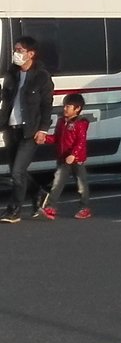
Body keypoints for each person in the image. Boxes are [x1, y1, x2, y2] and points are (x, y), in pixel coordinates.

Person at [0, 36, 55, 223]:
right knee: (18, 172)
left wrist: (43, 130)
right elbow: (6, 101)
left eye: (20, 50)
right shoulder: (12, 74)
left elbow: (47, 106)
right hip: (11, 128)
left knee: (16, 172)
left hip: (30, 130)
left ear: (31, 54)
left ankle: (13, 211)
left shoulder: (41, 76)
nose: (16, 53)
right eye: (15, 50)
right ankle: (38, 192)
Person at [37, 92, 91, 220]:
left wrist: (73, 154)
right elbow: (57, 138)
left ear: (77, 109)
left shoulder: (81, 123)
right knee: (57, 183)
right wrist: (45, 139)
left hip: (77, 160)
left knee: (81, 184)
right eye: (65, 106)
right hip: (63, 159)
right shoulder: (62, 122)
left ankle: (84, 208)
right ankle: (50, 207)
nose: (65, 109)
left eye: (68, 106)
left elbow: (81, 141)